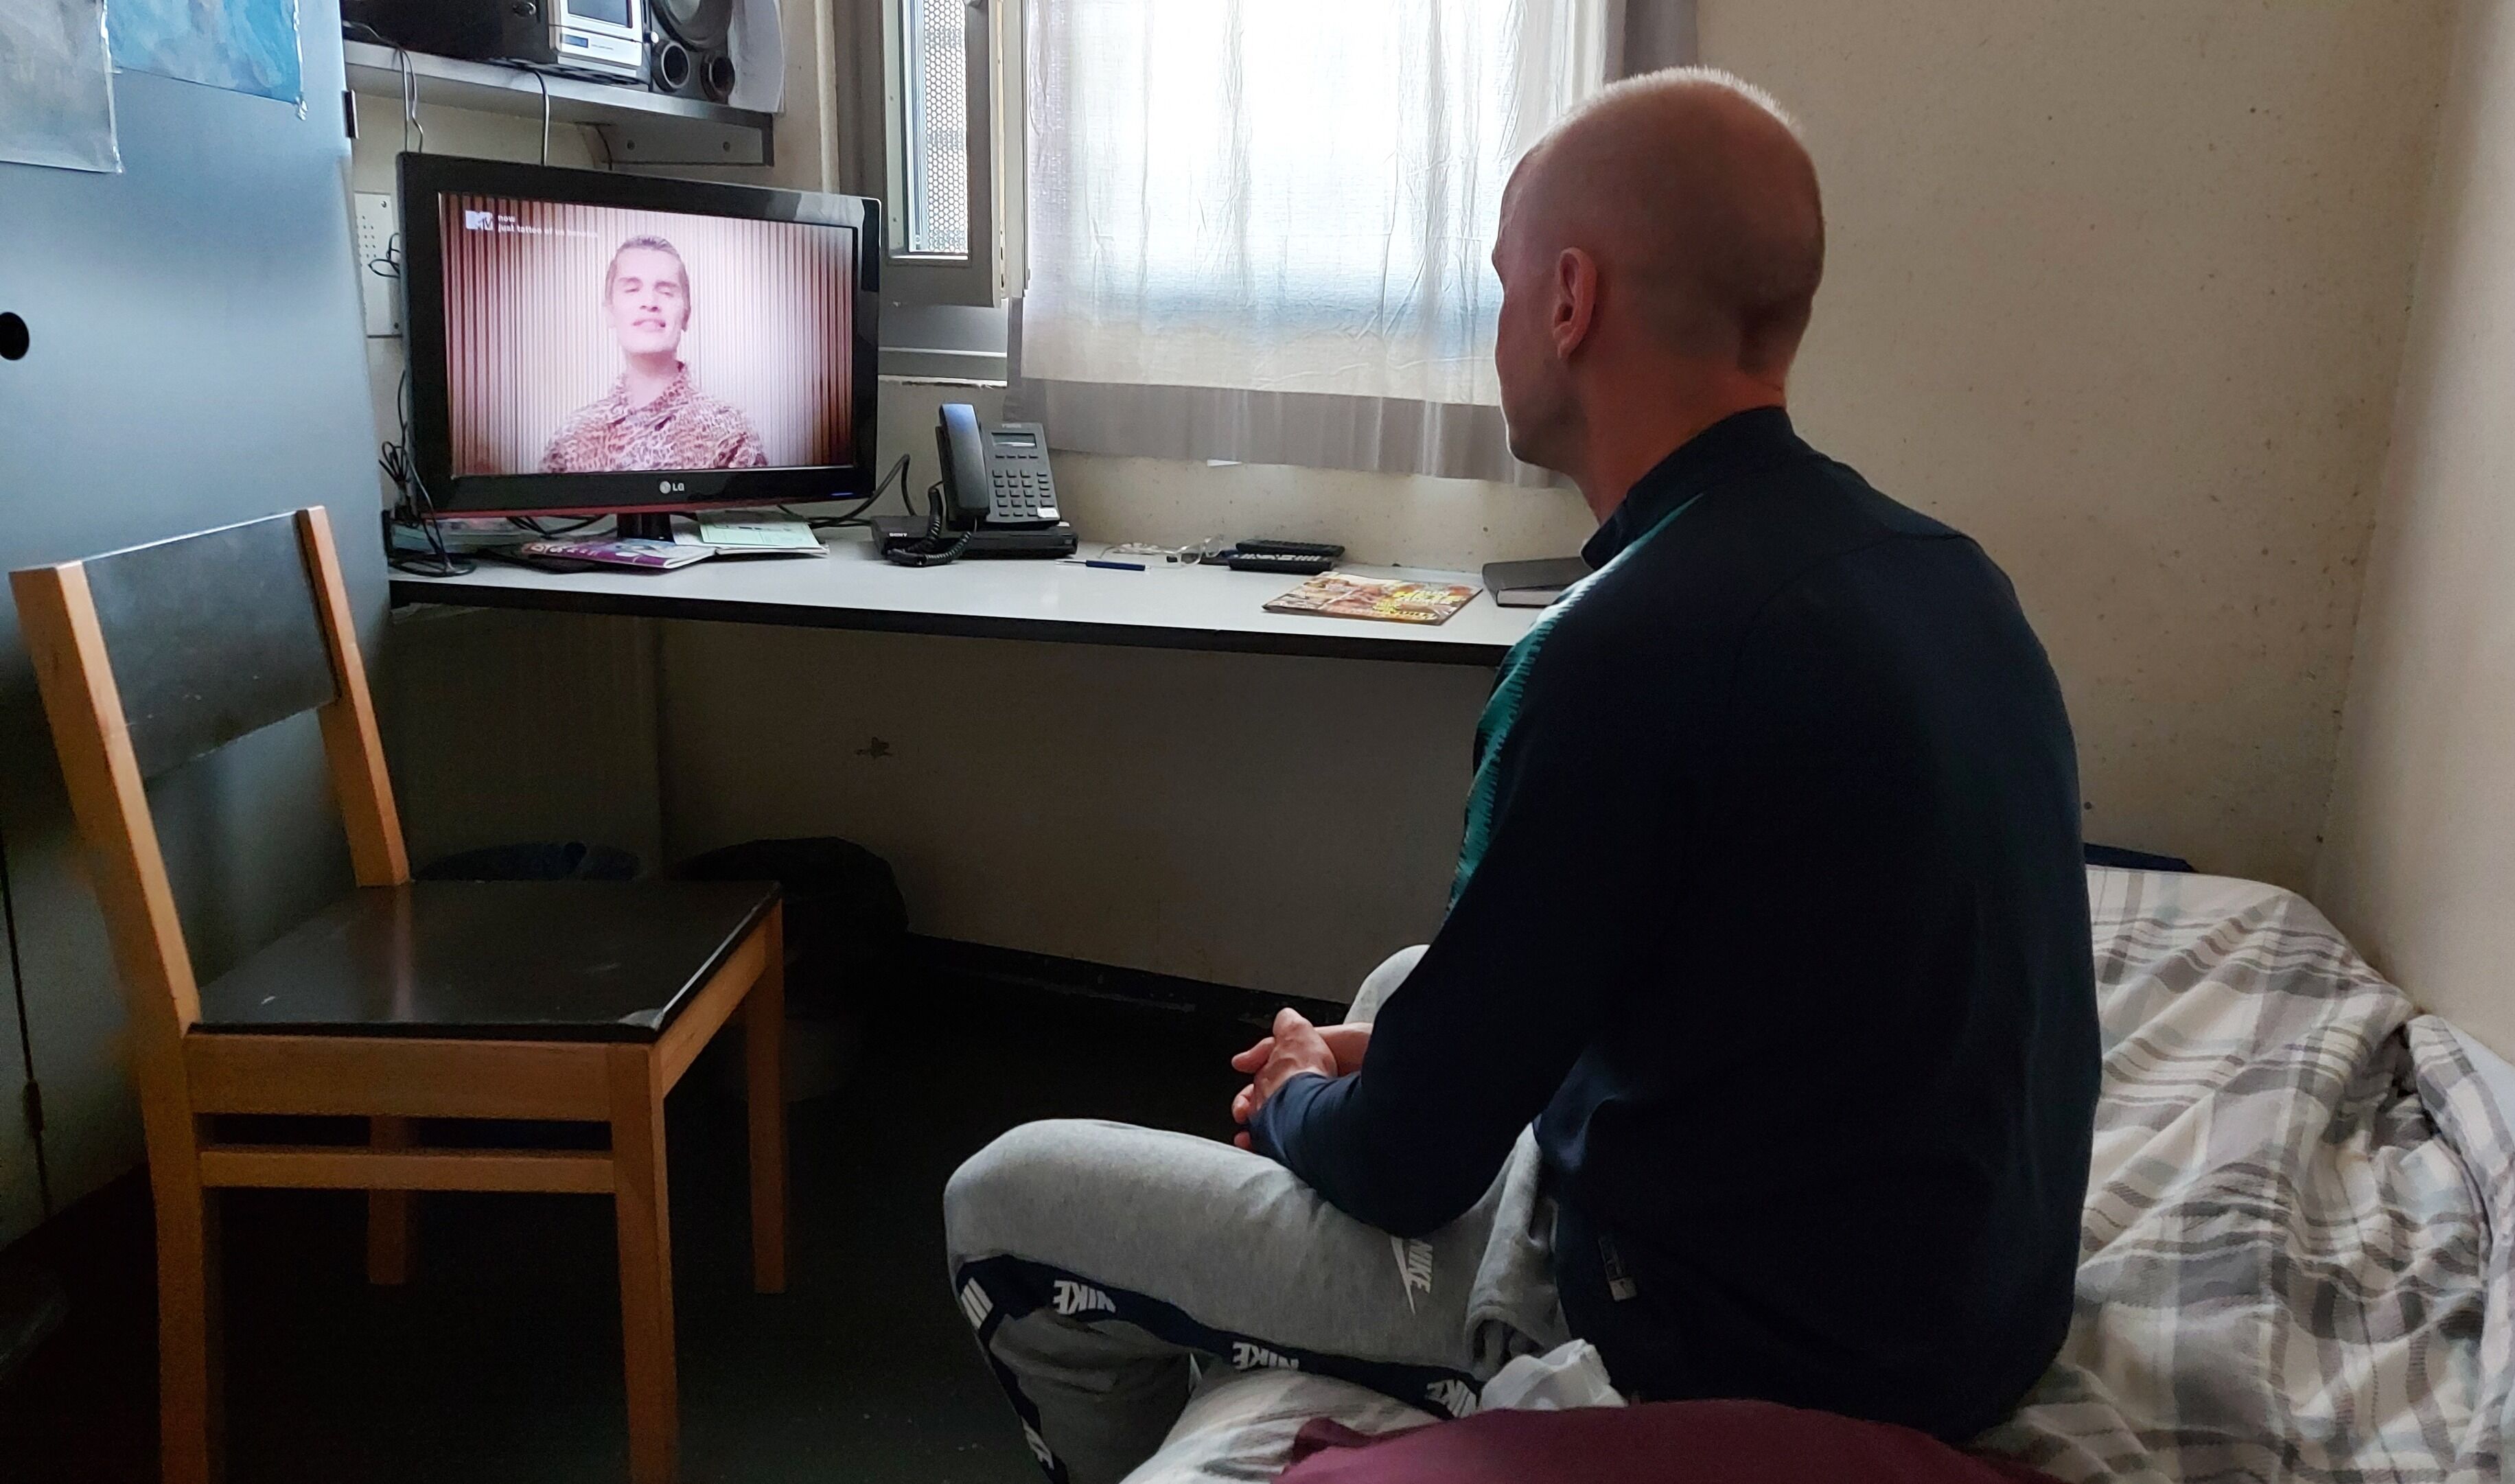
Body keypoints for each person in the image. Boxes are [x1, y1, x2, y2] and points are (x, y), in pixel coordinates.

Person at [942, 68, 2099, 1484]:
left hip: (1738, 1345)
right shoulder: (1940, 570)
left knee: (1002, 1198)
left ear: (1568, 299)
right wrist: (1397, 1056)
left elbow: (1403, 1166)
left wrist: (1298, 1091)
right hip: (1965, 1301)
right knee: (1400, 986)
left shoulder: (1624, 647)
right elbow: (1739, 963)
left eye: (1500, 285)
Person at [539, 235, 767, 474]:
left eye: (666, 291)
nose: (649, 302)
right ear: (609, 311)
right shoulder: (572, 438)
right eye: (632, 289)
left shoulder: (730, 434)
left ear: (686, 314)